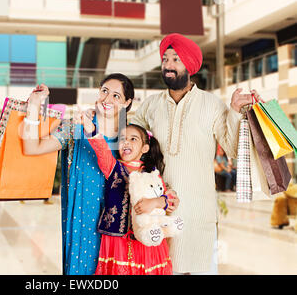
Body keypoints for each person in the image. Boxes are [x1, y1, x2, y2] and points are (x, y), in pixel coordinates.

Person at [130, 33, 263, 275]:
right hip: (160, 211)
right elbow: (130, 145)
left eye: (175, 59)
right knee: (162, 269)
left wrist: (234, 112)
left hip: (199, 211)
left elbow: (232, 149)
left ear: (189, 66)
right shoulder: (150, 105)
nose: (168, 66)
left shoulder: (211, 104)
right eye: (165, 59)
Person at [22, 74, 136, 275]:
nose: (107, 99)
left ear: (127, 102)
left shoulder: (130, 137)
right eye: (104, 91)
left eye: (116, 96)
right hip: (83, 224)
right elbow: (32, 148)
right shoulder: (75, 129)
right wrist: (34, 106)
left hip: (119, 228)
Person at [82, 120, 179, 275]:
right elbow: (101, 149)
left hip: (145, 238)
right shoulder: (112, 167)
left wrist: (156, 202)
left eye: (133, 139)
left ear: (145, 148)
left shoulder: (152, 174)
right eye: (122, 139)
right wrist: (91, 130)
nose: (126, 142)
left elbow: (167, 201)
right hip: (117, 239)